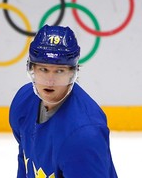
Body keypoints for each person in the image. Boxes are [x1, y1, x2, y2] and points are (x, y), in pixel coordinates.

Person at [9, 24, 118, 178]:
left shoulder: (84, 135)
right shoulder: (23, 102)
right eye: (43, 69)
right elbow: (25, 161)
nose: (50, 81)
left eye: (59, 71)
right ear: (32, 69)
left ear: (72, 73)